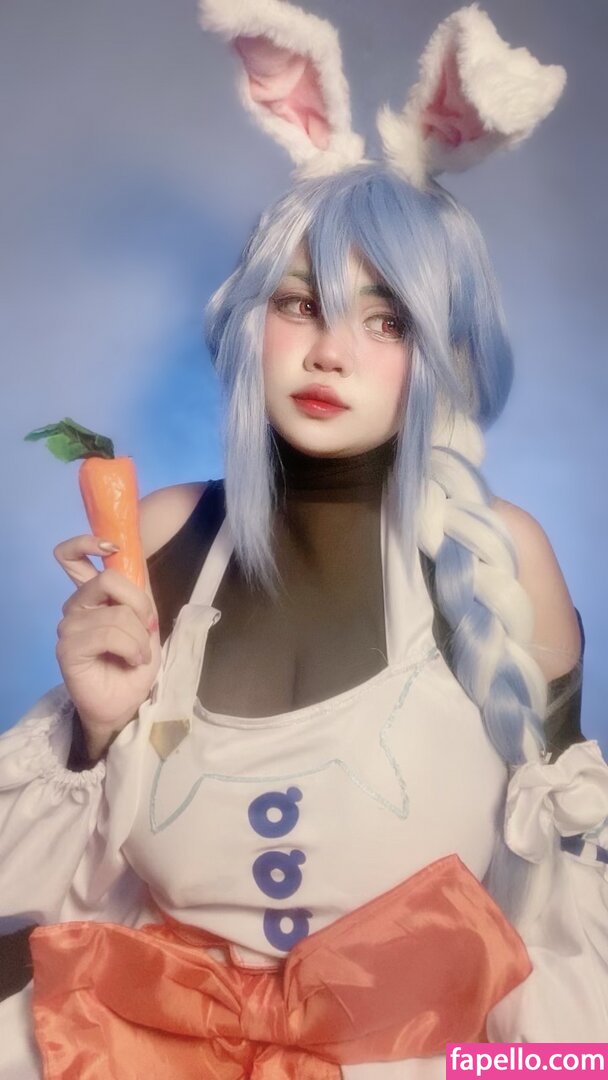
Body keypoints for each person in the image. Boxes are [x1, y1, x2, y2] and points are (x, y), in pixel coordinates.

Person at [1, 2, 607, 1077]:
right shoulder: (161, 533)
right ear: (252, 324)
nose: (331, 351)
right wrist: (93, 731)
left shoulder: (499, 560)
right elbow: (52, 897)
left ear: (443, 355)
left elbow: (563, 925)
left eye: (386, 321)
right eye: (300, 304)